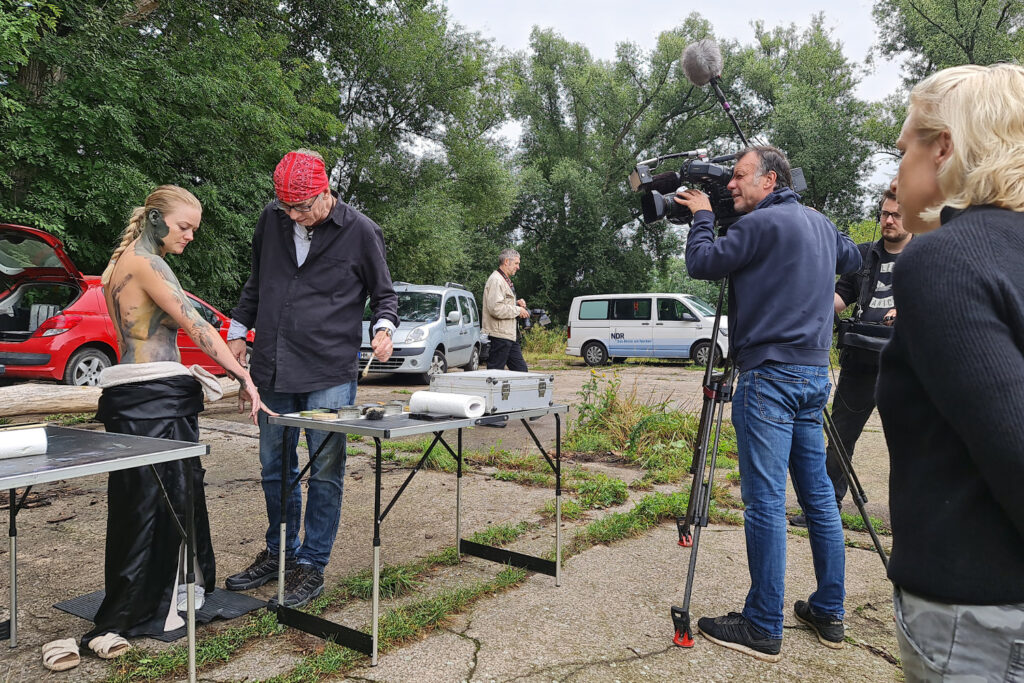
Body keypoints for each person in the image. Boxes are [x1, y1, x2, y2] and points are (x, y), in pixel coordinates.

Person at [676, 145, 861, 661]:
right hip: (812, 375)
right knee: (819, 498)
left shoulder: (756, 226)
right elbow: (851, 257)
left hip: (769, 379)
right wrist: (814, 220)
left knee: (764, 502)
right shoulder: (818, 224)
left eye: (738, 177)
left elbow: (702, 262)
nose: (731, 185)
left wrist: (703, 217)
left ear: (769, 179)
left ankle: (762, 623)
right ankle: (829, 610)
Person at [876, 63, 1024, 682]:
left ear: (944, 148)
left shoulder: (943, 261)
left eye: (904, 144)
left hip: (981, 619)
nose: (897, 165)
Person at [78, 185, 264, 661]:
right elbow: (196, 325)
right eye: (185, 227)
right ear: (157, 219)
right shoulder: (148, 264)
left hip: (130, 395)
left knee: (140, 501)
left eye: (194, 230)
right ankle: (138, 608)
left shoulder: (116, 268)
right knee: (160, 503)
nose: (190, 237)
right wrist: (242, 373)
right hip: (155, 399)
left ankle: (148, 597)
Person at [223, 149, 398, 609]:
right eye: (289, 208)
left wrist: (384, 329)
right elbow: (257, 281)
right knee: (274, 467)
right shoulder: (272, 221)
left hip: (328, 370)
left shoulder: (361, 231)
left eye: (304, 207)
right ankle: (281, 552)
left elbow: (385, 296)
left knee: (324, 469)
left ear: (326, 192)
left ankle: (312, 564)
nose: (296, 216)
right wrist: (238, 331)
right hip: (273, 367)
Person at [789, 187, 910, 527]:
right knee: (840, 439)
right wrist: (808, 308)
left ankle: (914, 521)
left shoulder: (924, 257)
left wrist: (910, 305)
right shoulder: (862, 256)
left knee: (910, 445)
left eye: (896, 215)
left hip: (905, 366)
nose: (888, 220)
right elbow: (839, 298)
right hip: (860, 363)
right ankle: (825, 511)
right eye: (884, 214)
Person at [482, 248, 530, 371]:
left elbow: (502, 303)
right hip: (500, 336)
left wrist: (516, 303)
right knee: (495, 374)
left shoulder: (504, 280)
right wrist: (518, 310)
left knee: (522, 372)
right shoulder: (496, 280)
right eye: (516, 263)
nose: (518, 267)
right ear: (507, 261)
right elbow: (496, 308)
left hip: (509, 336)